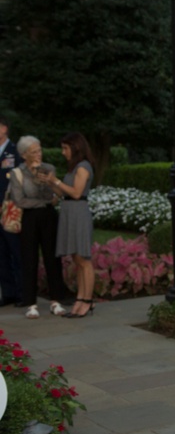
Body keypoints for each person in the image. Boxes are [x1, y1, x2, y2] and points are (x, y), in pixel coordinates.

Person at [9, 136, 70, 319]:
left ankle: (56, 300)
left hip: (49, 217)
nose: (38, 154)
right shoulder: (17, 173)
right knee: (29, 258)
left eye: (40, 150)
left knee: (52, 257)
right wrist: (43, 201)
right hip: (29, 218)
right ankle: (31, 303)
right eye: (34, 151)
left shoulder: (49, 169)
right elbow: (19, 200)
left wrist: (47, 181)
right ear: (24, 155)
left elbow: (56, 195)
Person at [47, 132, 95, 318]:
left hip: (78, 214)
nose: (62, 152)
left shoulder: (83, 167)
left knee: (84, 259)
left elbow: (76, 193)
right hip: (70, 213)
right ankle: (80, 299)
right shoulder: (73, 168)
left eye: (65, 148)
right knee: (77, 259)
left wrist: (56, 180)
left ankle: (87, 301)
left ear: (75, 148)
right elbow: (63, 193)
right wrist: (51, 184)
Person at [0, 116, 23, 307]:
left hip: (9, 211)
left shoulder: (15, 152)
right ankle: (8, 293)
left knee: (16, 251)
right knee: (1, 253)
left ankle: (22, 293)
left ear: (5, 128)